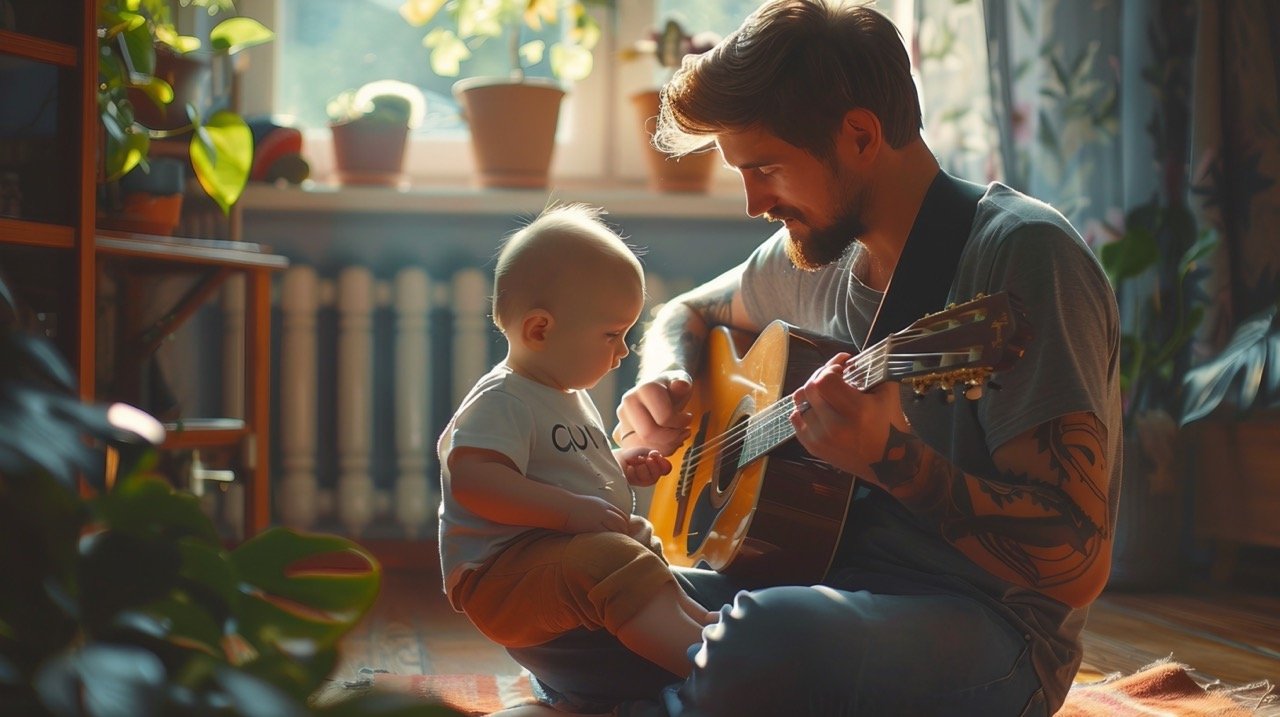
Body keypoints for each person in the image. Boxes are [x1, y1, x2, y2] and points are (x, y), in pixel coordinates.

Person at [503, 2, 1122, 716]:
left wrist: (895, 459)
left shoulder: (1021, 255)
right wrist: (664, 376)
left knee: (766, 639)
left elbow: (1078, 559)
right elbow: (686, 312)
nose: (753, 202)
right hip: (812, 583)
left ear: (859, 134)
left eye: (765, 167)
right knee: (558, 592)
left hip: (987, 627)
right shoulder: (816, 253)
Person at [437, 204, 717, 688]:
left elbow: (569, 466)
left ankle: (702, 627)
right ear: (539, 329)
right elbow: (474, 481)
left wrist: (618, 466)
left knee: (637, 537)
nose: (624, 351)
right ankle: (703, 669)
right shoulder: (503, 398)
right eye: (613, 334)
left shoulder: (566, 397)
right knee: (609, 556)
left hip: (552, 557)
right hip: (501, 576)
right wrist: (570, 512)